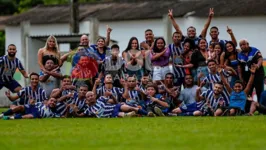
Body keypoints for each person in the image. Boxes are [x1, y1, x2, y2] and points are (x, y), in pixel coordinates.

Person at [76, 91, 147, 118]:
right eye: (88, 97)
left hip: (115, 106)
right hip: (111, 113)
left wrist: (111, 95)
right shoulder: (89, 110)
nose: (90, 97)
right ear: (86, 99)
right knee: (122, 114)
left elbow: (114, 102)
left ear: (94, 96)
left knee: (130, 108)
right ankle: (133, 114)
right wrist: (71, 110)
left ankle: (147, 113)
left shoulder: (101, 99)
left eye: (91, 95)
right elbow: (79, 115)